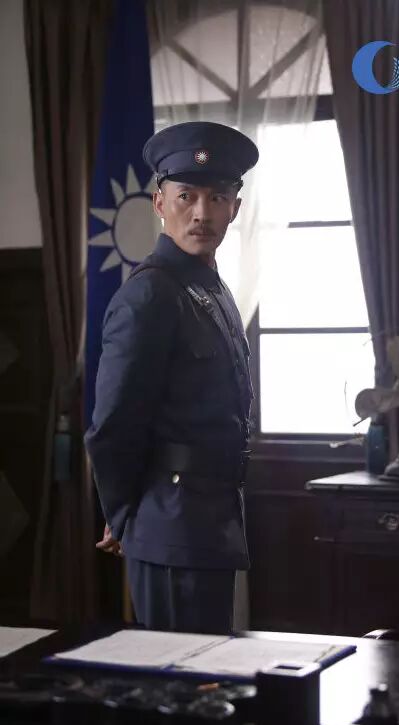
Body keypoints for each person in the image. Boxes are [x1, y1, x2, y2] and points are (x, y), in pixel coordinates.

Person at [84, 121, 258, 633]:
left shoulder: (212, 289)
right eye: (187, 196)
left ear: (235, 208)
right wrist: (125, 517)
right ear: (160, 203)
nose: (202, 213)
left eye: (216, 197)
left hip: (210, 520)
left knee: (209, 671)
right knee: (179, 672)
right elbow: (113, 425)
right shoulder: (150, 294)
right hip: (169, 523)